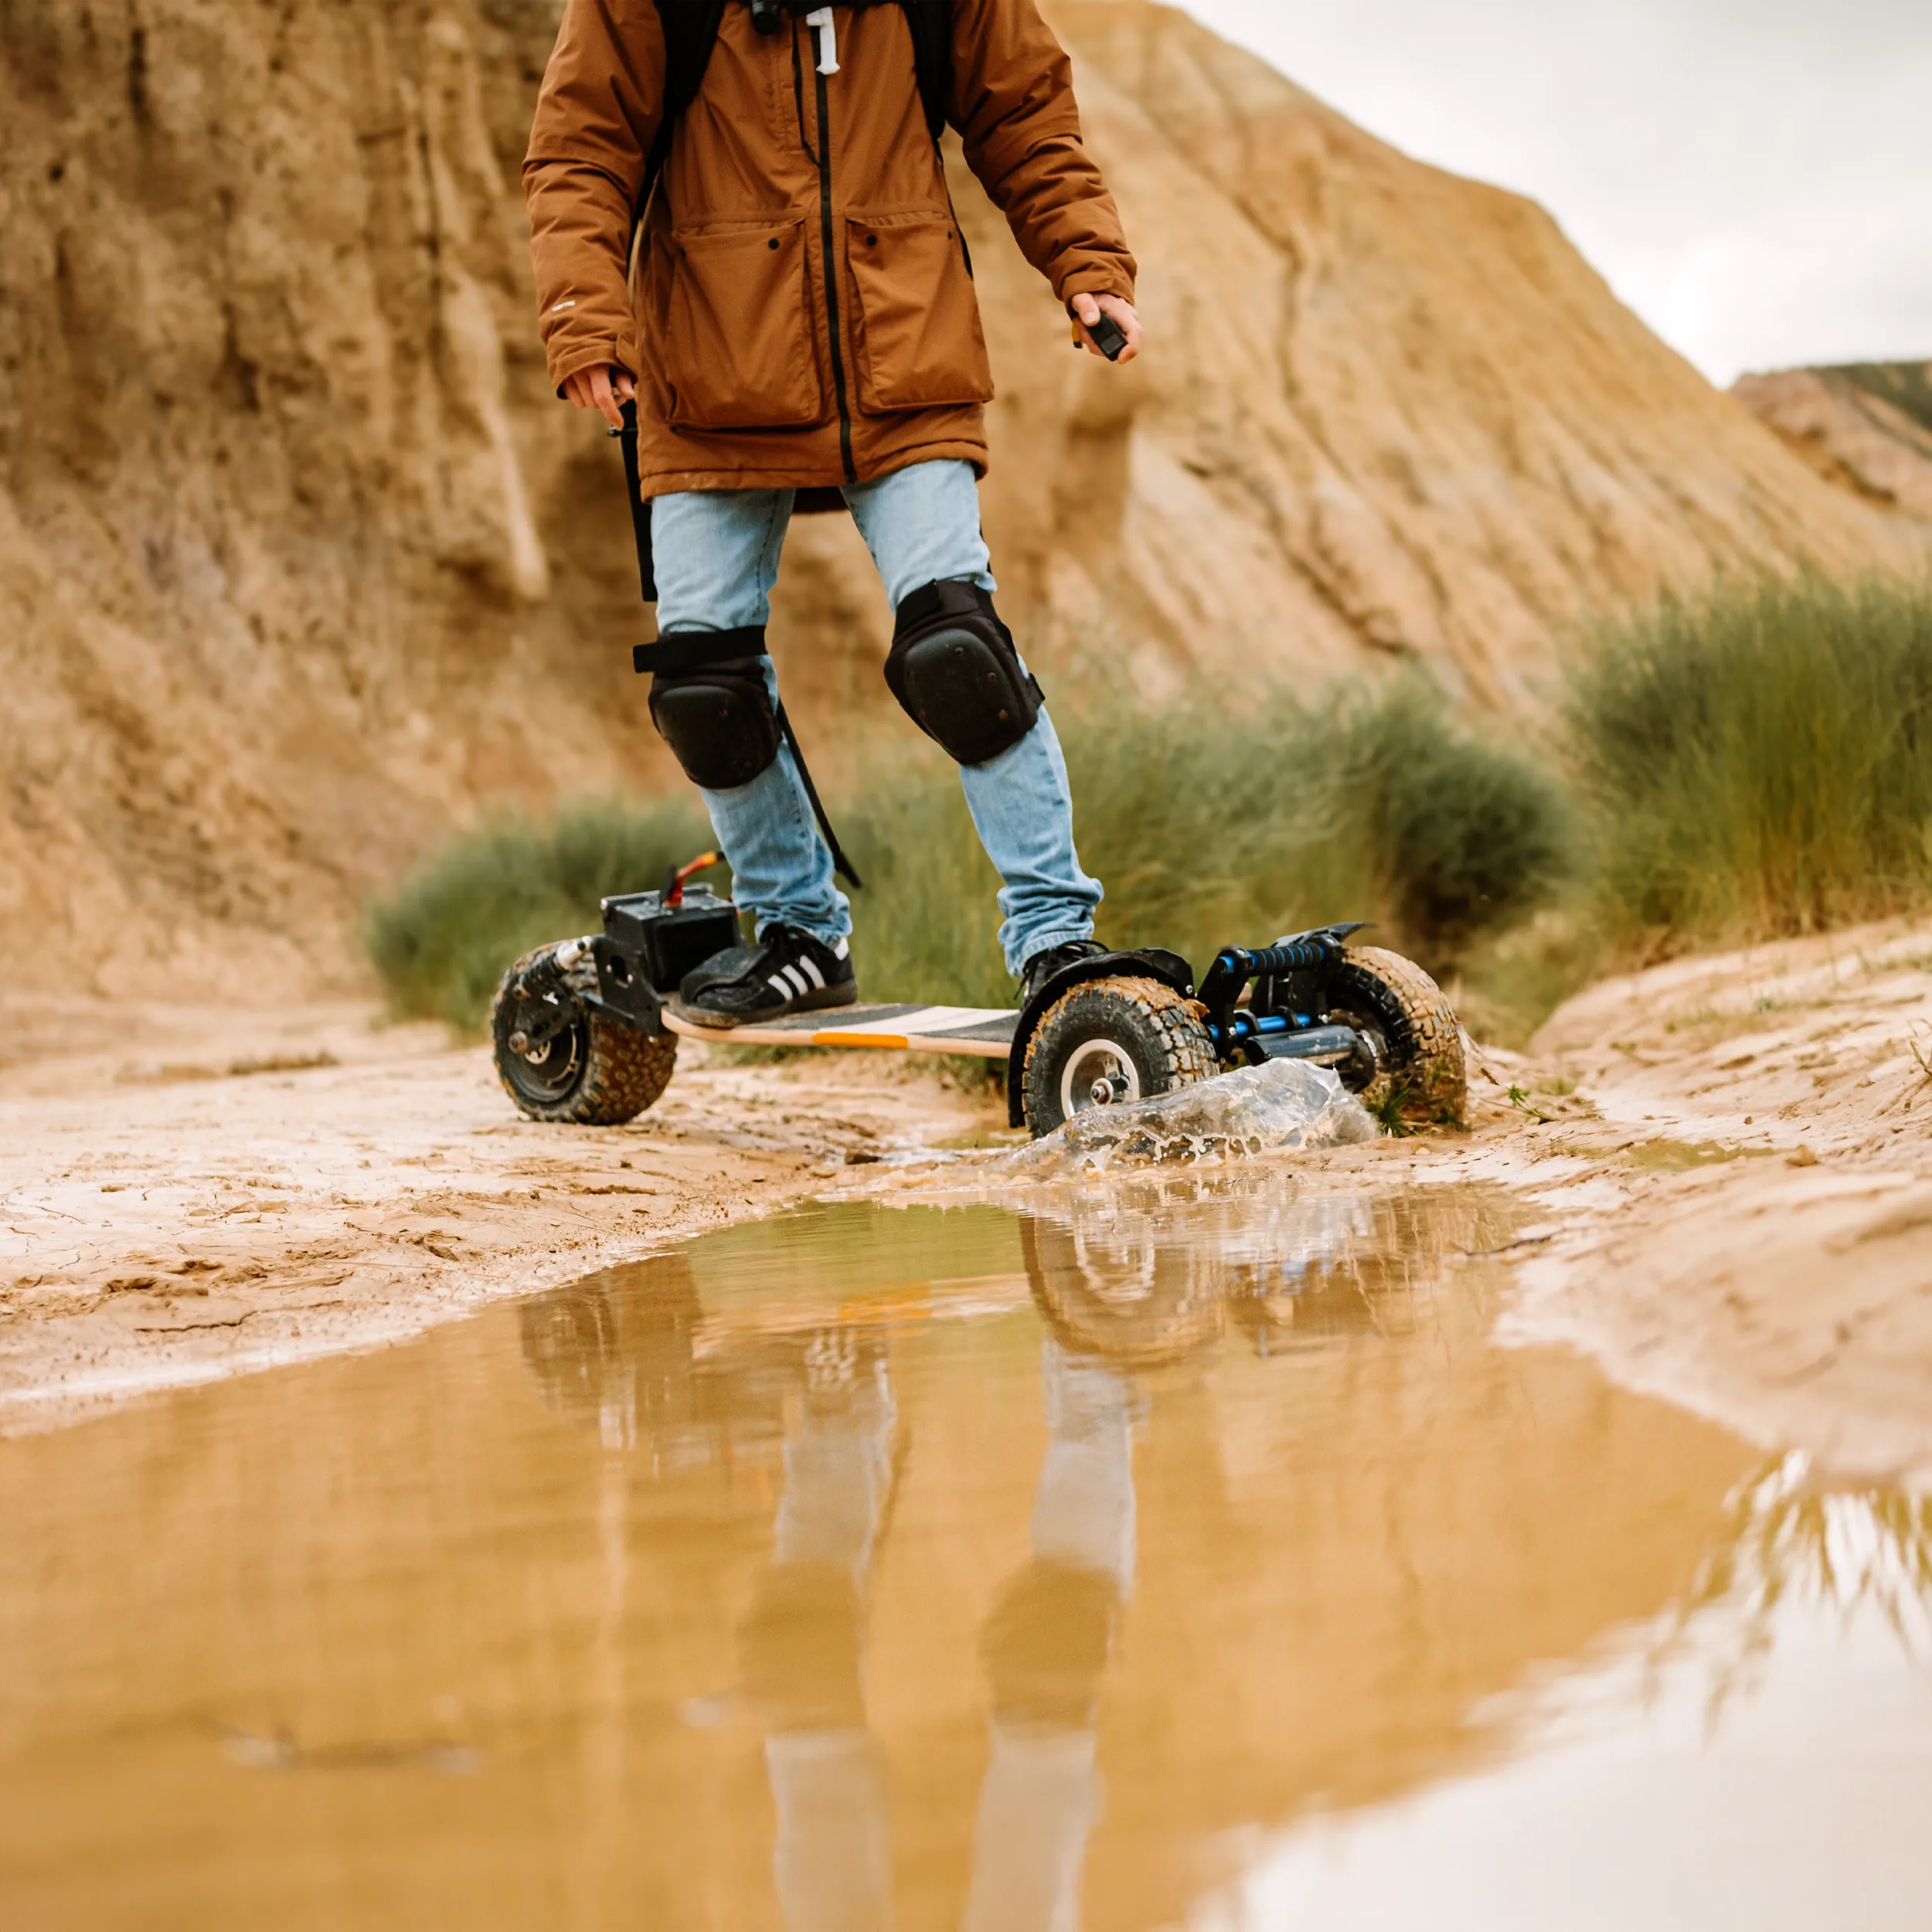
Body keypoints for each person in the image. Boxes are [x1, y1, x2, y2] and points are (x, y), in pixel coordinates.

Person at [524, 0, 1141, 1025]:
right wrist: (584, 316)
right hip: (709, 371)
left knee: (959, 648)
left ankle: (1055, 939)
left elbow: (1027, 114)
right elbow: (582, 148)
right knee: (704, 683)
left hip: (905, 351)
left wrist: (1085, 263)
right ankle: (800, 934)